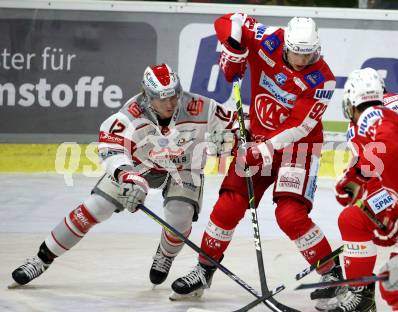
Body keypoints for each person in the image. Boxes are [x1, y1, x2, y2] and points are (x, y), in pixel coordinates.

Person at [170, 13, 345, 310]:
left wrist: (263, 148)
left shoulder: (323, 78)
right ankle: (203, 270)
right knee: (229, 203)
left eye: (309, 55)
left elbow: (298, 125)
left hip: (297, 149)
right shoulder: (270, 38)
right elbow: (229, 20)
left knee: (290, 215)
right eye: (296, 54)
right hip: (257, 139)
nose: (302, 61)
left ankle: (333, 277)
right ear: (286, 44)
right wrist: (233, 46)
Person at [10, 63, 237, 288]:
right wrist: (128, 176)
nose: (171, 103)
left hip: (183, 167)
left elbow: (238, 126)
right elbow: (111, 145)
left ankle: (166, 254)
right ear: (147, 96)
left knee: (180, 216)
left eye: (174, 95)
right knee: (96, 206)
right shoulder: (131, 114)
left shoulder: (201, 106)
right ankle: (41, 259)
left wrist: (229, 140)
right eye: (162, 98)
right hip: (139, 165)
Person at [332, 67, 398, 311]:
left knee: (397, 278)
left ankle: (360, 295)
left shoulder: (367, 117)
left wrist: (354, 179)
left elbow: (383, 149)